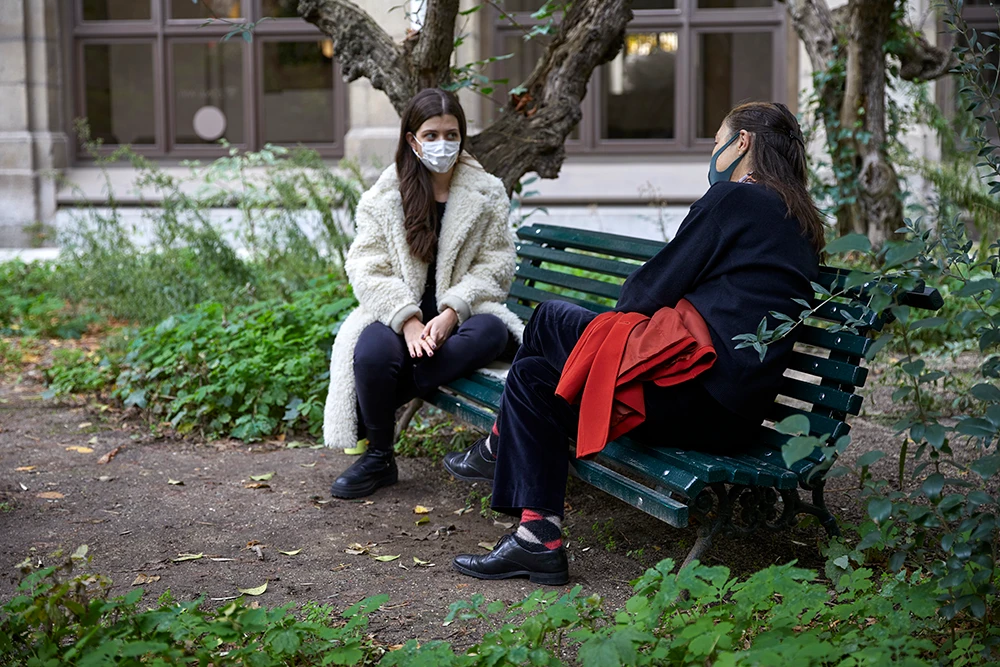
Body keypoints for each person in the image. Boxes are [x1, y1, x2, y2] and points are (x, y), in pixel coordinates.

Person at [443, 101, 824, 585]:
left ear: (742, 142)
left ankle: (498, 444)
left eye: (715, 142)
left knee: (549, 318)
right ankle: (537, 540)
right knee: (534, 377)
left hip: (693, 389)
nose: (714, 154)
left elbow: (644, 294)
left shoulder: (736, 199)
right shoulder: (801, 220)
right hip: (731, 414)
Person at [323, 88, 524, 499]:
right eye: (431, 135)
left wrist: (452, 312)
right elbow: (366, 267)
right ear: (412, 140)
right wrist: (408, 320)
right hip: (398, 316)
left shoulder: (486, 192)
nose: (442, 144)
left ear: (462, 137)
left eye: (451, 134)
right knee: (372, 351)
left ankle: (383, 401)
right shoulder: (386, 195)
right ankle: (379, 457)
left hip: (465, 318)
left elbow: (497, 264)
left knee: (491, 332)